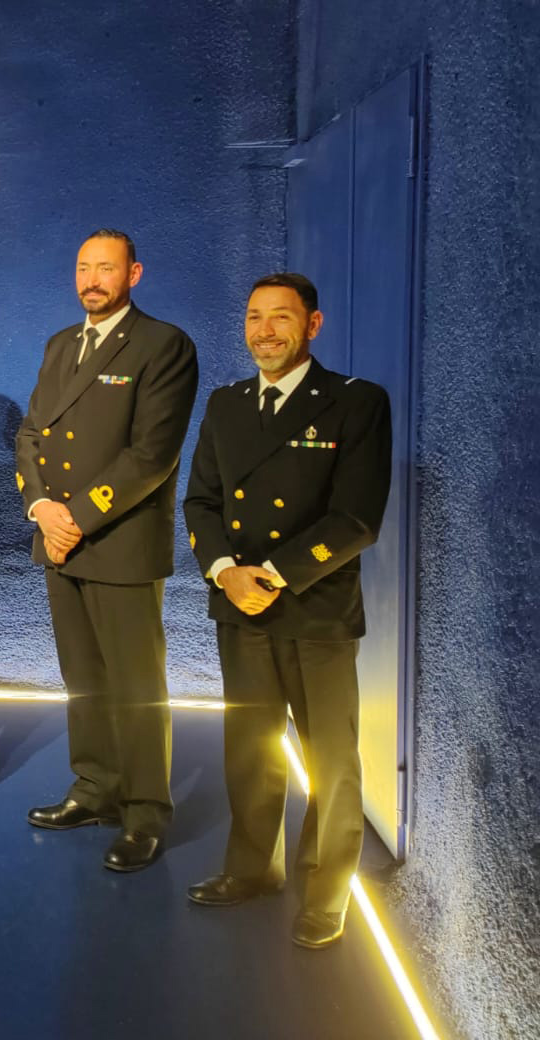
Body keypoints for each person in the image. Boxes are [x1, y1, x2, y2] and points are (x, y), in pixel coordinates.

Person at [182, 273, 391, 949]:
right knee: (249, 748)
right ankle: (252, 869)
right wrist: (224, 571)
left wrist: (271, 575)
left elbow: (356, 519)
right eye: (254, 317)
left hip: (315, 606)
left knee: (330, 758)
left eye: (281, 317)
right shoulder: (226, 404)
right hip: (239, 604)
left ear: (313, 325)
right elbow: (200, 503)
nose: (265, 331)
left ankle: (327, 891)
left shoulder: (356, 402)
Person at [16, 229, 198, 872]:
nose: (92, 280)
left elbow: (152, 454)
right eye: (83, 267)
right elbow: (31, 435)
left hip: (119, 542)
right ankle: (95, 788)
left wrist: (77, 517)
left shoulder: (163, 345)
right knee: (84, 680)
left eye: (106, 268)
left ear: (133, 274)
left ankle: (145, 812)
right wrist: (42, 509)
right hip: (59, 541)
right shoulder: (61, 344)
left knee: (135, 684)